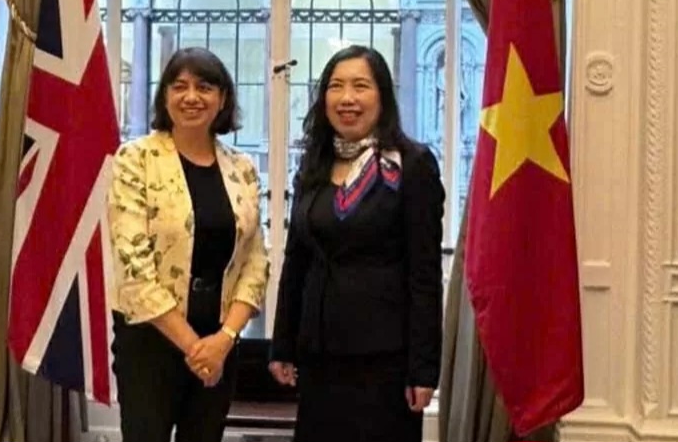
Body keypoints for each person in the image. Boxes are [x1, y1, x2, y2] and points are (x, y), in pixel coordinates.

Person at [269, 45, 445, 442]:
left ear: (382, 96)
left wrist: (423, 369)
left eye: (360, 86)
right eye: (336, 86)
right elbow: (296, 261)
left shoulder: (411, 164)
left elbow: (424, 275)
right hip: (319, 356)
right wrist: (282, 344)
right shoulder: (313, 163)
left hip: (384, 360)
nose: (347, 98)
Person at [107, 47, 270, 442]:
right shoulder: (135, 159)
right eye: (179, 86)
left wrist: (223, 341)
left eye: (204, 87)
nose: (191, 97)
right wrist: (197, 348)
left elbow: (255, 263)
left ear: (223, 99)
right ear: (164, 97)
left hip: (220, 340)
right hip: (150, 339)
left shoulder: (243, 169)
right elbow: (133, 265)